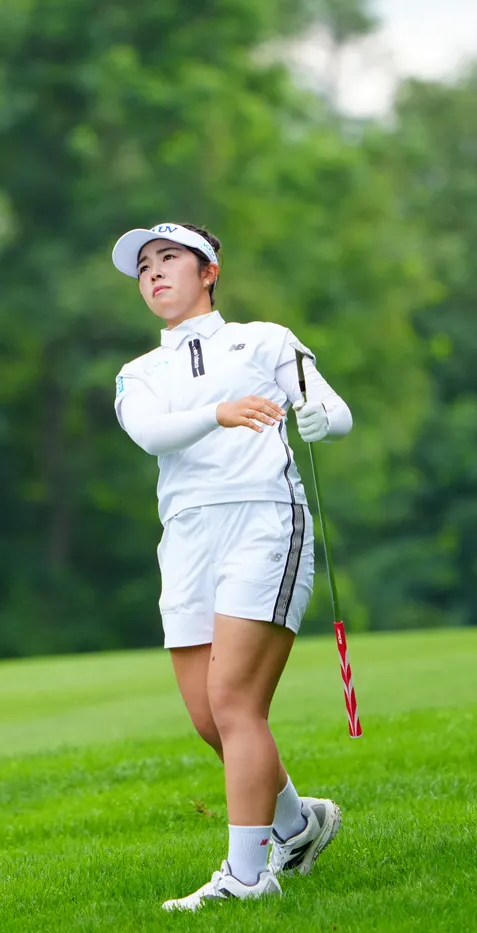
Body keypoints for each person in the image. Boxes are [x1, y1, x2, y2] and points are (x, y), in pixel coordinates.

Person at [109, 221, 353, 911]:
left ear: (209, 271)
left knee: (236, 703)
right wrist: (218, 412)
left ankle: (247, 876)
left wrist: (321, 419)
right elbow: (149, 433)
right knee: (208, 717)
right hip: (187, 536)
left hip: (264, 518)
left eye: (169, 258)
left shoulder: (264, 340)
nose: (154, 273)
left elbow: (331, 407)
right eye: (144, 266)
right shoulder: (138, 373)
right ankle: (297, 824)